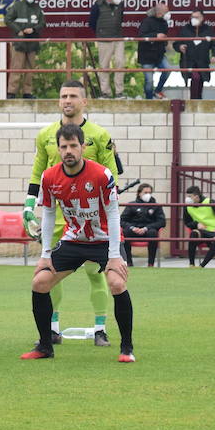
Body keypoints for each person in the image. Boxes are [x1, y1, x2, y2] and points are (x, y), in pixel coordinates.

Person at [23, 124, 135, 362]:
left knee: (116, 283)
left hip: (105, 240)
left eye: (73, 145)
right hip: (74, 239)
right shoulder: (50, 176)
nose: (68, 151)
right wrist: (45, 254)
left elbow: (114, 214)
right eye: (64, 146)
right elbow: (50, 214)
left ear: (83, 147)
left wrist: (114, 255)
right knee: (40, 283)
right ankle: (45, 346)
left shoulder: (101, 174)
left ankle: (127, 348)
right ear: (58, 149)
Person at [5, 0, 44, 99]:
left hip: (32, 42)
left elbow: (42, 23)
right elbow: (7, 19)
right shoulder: (17, 6)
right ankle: (11, 93)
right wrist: (19, 31)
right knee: (16, 67)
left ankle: (27, 93)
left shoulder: (37, 8)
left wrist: (34, 29)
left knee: (30, 69)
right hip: (20, 42)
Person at [89, 0, 126, 97]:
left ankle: (119, 92)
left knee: (120, 64)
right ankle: (106, 92)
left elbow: (121, 18)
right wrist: (101, 32)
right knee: (104, 66)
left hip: (118, 38)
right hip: (104, 39)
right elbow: (92, 22)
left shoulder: (120, 5)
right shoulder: (98, 6)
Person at [174, 12, 215, 100]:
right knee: (195, 77)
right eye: (192, 17)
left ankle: (198, 99)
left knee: (200, 79)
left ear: (202, 18)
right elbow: (176, 43)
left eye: (196, 17)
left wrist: (214, 55)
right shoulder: (185, 29)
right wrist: (180, 47)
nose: (194, 19)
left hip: (202, 61)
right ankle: (193, 100)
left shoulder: (208, 30)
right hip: (189, 61)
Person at [182, 186, 215, 267]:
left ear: (196, 196)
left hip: (214, 232)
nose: (187, 199)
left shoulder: (210, 202)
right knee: (194, 234)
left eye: (189, 197)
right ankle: (191, 264)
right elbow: (187, 222)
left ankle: (202, 265)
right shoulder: (187, 206)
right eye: (187, 196)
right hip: (201, 232)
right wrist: (196, 224)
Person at [121, 183, 165, 267]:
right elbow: (122, 220)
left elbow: (161, 222)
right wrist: (132, 228)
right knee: (125, 233)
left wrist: (146, 228)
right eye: (145, 192)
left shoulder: (156, 206)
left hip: (148, 231)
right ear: (139, 193)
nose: (148, 195)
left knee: (153, 233)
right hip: (133, 230)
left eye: (149, 192)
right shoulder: (131, 205)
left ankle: (150, 264)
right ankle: (129, 263)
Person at [136, 0, 172, 99]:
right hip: (146, 55)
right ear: (159, 13)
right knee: (149, 81)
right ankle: (149, 99)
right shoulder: (147, 21)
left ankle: (158, 90)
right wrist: (155, 36)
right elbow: (141, 36)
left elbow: (164, 36)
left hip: (159, 54)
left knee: (168, 69)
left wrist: (164, 40)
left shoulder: (164, 23)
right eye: (166, 12)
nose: (169, 14)